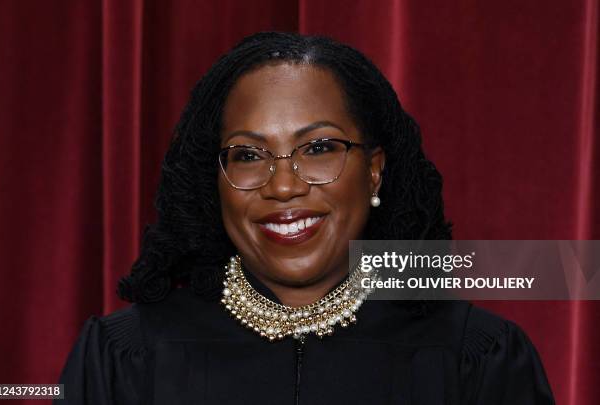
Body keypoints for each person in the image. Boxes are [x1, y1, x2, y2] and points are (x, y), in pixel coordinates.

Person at [56, 31, 555, 404]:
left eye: (318, 148)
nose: (284, 185)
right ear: (215, 182)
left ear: (375, 172)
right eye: (249, 155)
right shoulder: (124, 361)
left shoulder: (475, 358)